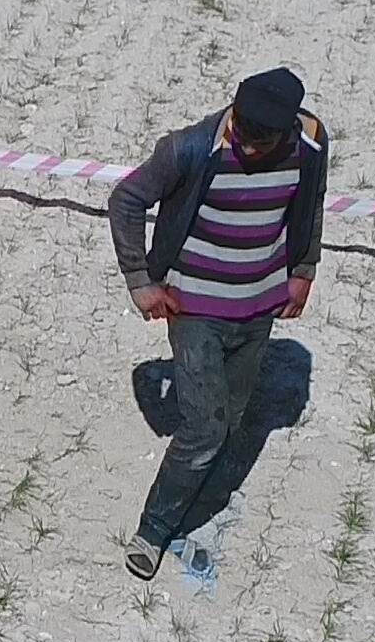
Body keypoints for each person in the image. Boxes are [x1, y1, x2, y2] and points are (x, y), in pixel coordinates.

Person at [105, 67, 325, 578]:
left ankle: (202, 492)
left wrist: (303, 270)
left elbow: (310, 204)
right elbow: (127, 200)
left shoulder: (310, 142)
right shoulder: (191, 147)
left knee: (232, 416)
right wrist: (141, 282)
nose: (247, 146)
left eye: (262, 139)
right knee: (204, 429)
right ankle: (154, 531)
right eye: (242, 133)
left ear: (288, 127)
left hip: (259, 307)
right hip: (194, 309)